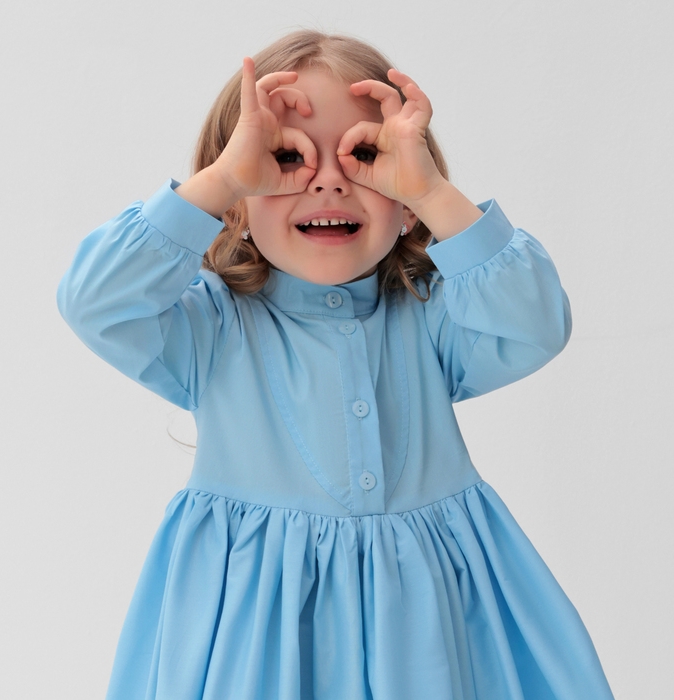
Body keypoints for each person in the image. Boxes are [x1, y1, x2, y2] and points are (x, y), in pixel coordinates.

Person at [57, 29, 615, 700]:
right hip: (258, 641)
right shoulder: (211, 328)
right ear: (236, 204)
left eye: (366, 156)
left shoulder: (430, 315)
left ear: (404, 204)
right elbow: (95, 301)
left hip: (429, 634)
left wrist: (433, 192)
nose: (327, 179)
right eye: (285, 156)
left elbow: (536, 323)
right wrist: (222, 180)